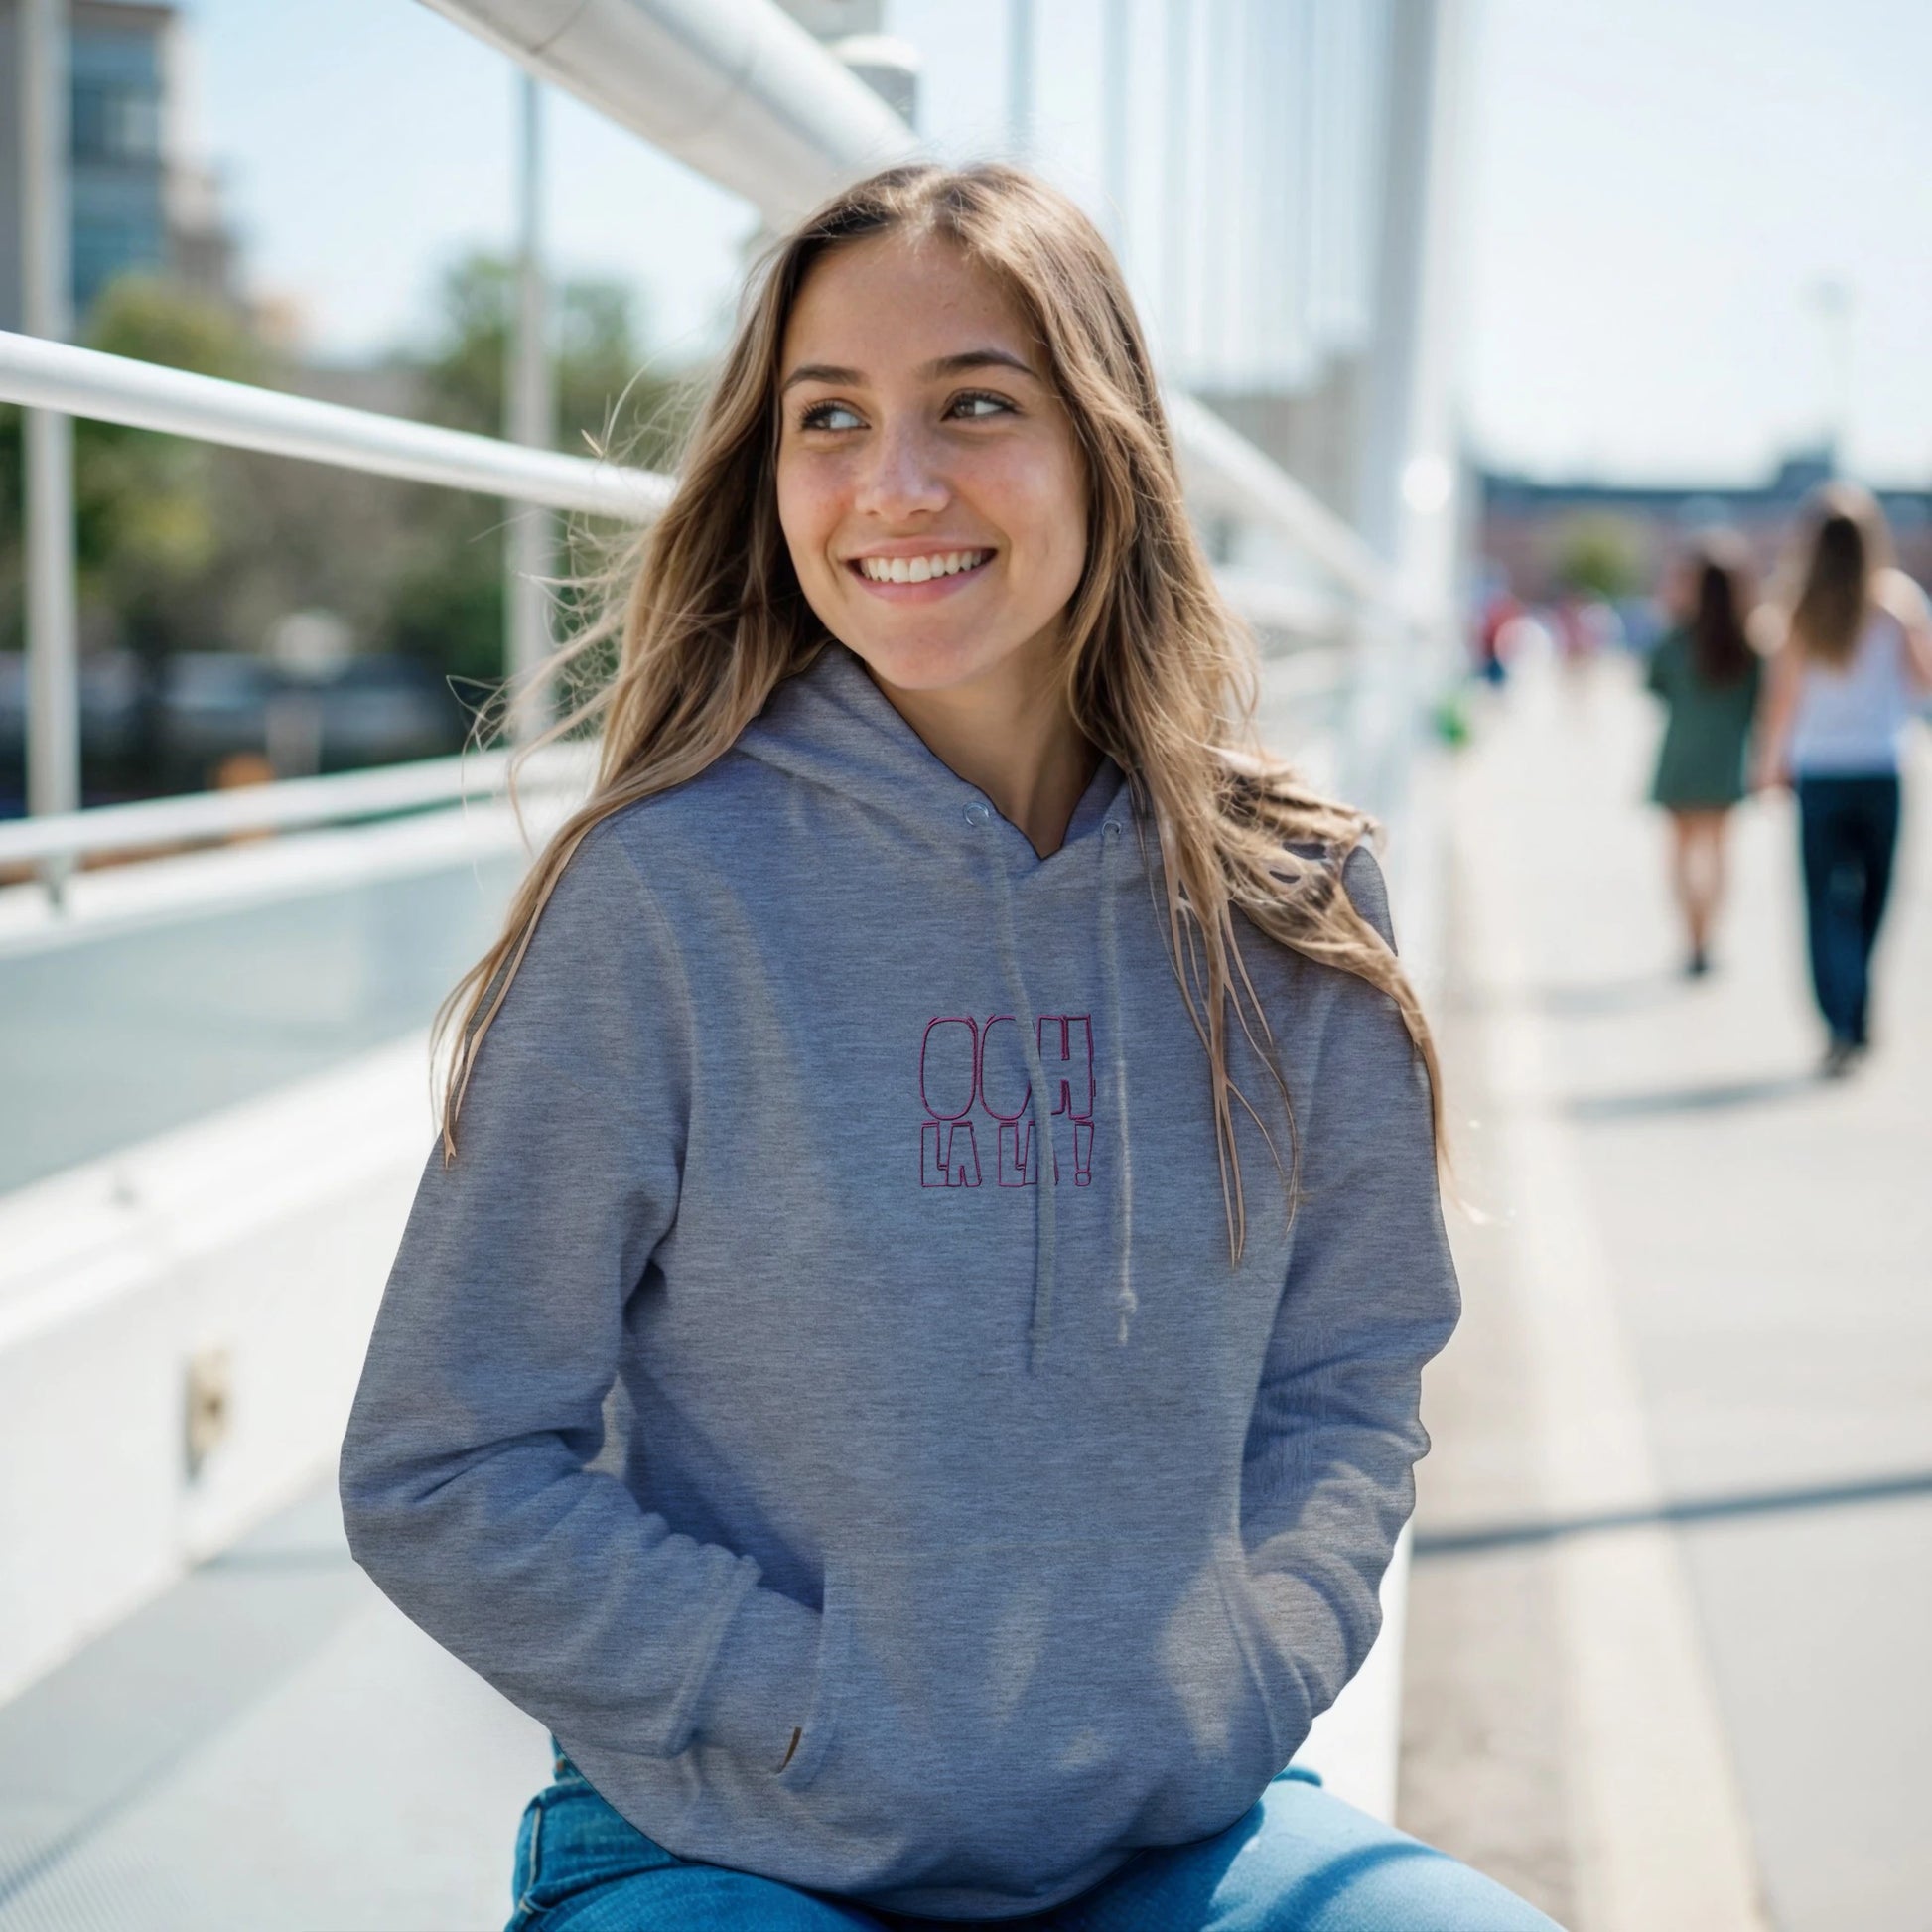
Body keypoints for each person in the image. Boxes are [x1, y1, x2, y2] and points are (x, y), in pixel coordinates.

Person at [338, 163, 1557, 1931]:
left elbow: (1350, 1376)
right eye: (830, 419)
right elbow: (440, 1462)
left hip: (1172, 1816)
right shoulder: (665, 896)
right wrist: (807, 1701)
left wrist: (1245, 1665)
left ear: (1106, 445)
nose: (895, 486)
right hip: (726, 1836)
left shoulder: (1293, 899)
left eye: (975, 405)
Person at [1753, 483, 1932, 1076]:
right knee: (1875, 897)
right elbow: (1923, 682)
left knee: (1823, 902)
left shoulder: (1796, 607)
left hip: (1821, 771)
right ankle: (1856, 1003)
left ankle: (1839, 1014)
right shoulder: (1897, 603)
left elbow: (1782, 701)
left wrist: (1769, 763)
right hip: (1881, 767)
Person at [1643, 533, 1763, 976]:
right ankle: (1708, 937)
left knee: (1680, 854)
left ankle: (1690, 937)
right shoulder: (1751, 645)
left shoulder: (1677, 640)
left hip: (1681, 759)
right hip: (1726, 761)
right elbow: (1761, 706)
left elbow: (1653, 686)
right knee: (1717, 853)